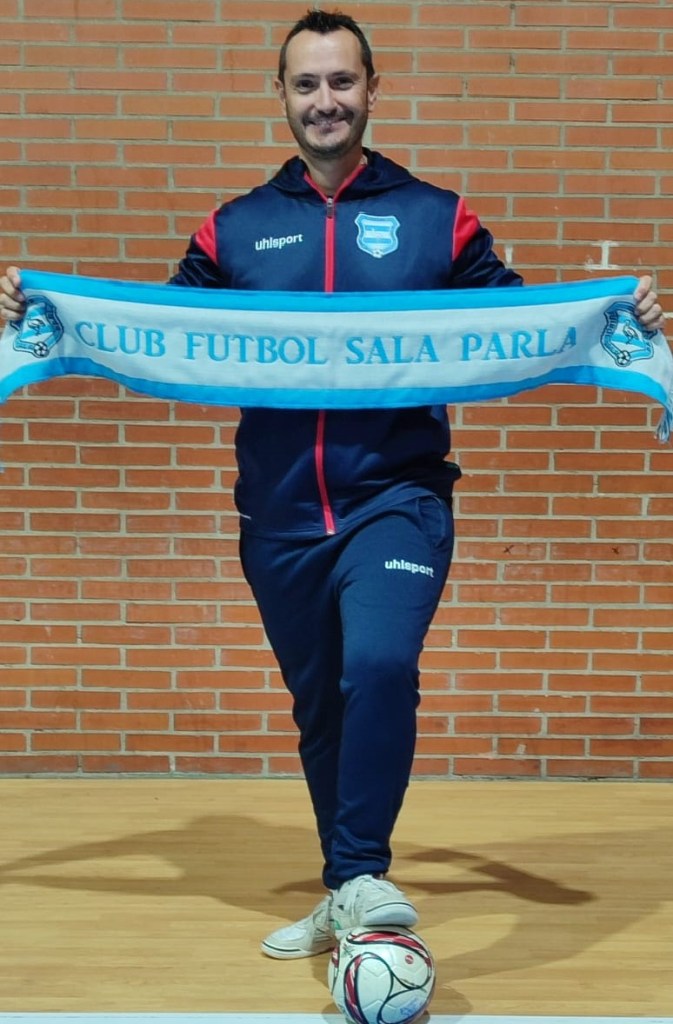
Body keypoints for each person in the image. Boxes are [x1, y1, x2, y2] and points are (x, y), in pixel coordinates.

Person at [0, 9, 666, 961]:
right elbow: (159, 328)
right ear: (280, 93)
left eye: (342, 81)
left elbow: (520, 320)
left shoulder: (437, 217)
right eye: (307, 83)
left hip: (397, 498)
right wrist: (49, 311)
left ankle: (360, 874)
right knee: (321, 711)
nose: (325, 101)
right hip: (276, 516)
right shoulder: (235, 228)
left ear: (372, 90)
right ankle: (346, 890)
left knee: (380, 667)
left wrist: (614, 314)